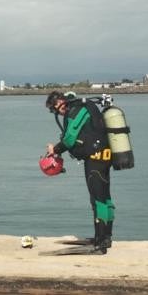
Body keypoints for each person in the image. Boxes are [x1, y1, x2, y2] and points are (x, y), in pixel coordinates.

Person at [45, 91, 115, 255]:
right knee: (105, 197)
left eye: (55, 108)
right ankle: (106, 237)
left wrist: (54, 149)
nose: (57, 112)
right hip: (104, 155)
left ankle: (99, 244)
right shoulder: (85, 106)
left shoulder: (77, 109)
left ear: (61, 101)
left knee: (98, 199)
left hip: (95, 159)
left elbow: (69, 139)